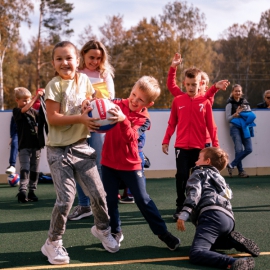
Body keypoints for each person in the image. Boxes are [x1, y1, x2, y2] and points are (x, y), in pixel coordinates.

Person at [41, 41, 119, 265]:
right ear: (54, 63)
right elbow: (53, 118)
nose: (65, 62)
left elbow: (90, 102)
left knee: (98, 193)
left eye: (69, 58)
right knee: (65, 199)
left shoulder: (85, 80)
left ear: (77, 61)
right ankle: (52, 243)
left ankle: (103, 229)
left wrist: (92, 106)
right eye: (59, 59)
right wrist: (82, 118)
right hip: (58, 151)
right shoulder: (53, 85)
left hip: (81, 146)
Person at [99, 75, 180, 250]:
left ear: (148, 104)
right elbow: (98, 103)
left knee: (143, 200)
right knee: (110, 200)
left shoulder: (144, 120)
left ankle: (163, 233)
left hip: (131, 165)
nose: (134, 100)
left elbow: (131, 137)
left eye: (140, 99)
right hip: (108, 163)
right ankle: (115, 231)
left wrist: (123, 120)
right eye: (133, 94)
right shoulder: (115, 103)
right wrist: (89, 104)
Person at [177, 147, 260, 269]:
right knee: (212, 243)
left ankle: (232, 262)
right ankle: (231, 240)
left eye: (199, 158)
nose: (195, 161)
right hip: (228, 220)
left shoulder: (198, 172)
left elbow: (194, 192)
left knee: (197, 253)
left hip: (211, 216)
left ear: (207, 161)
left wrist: (185, 212)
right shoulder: (219, 178)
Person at [162, 67, 219, 221]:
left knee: (199, 178)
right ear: (184, 84)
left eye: (194, 84)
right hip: (181, 147)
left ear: (200, 83)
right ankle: (180, 206)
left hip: (200, 148)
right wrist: (166, 140)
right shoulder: (178, 100)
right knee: (181, 176)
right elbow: (172, 122)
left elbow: (211, 125)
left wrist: (215, 145)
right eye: (188, 84)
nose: (191, 87)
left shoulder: (205, 102)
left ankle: (197, 206)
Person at [67, 40, 115, 220]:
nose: (94, 61)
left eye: (98, 58)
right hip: (79, 125)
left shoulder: (105, 74)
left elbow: (110, 99)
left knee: (99, 166)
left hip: (99, 127)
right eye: (91, 57)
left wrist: (92, 96)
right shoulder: (76, 73)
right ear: (83, 55)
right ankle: (84, 205)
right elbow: (70, 98)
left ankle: (101, 206)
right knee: (79, 166)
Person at [167, 52, 230, 148]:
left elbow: (209, 95)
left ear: (204, 85)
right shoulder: (183, 98)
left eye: (203, 83)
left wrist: (215, 88)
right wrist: (173, 67)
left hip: (204, 142)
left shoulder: (206, 99)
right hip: (187, 144)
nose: (199, 86)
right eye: (190, 84)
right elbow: (172, 86)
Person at [12, 87, 44, 203]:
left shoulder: (34, 112)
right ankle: (22, 191)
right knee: (25, 168)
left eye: (28, 99)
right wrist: (36, 98)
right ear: (17, 100)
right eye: (24, 100)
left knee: (35, 169)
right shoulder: (16, 111)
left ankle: (32, 191)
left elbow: (43, 118)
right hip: (24, 145)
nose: (26, 102)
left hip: (36, 145)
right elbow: (25, 108)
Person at [225, 84, 252, 178]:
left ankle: (231, 165)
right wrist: (234, 115)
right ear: (232, 92)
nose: (237, 93)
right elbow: (228, 119)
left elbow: (250, 115)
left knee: (249, 149)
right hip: (235, 127)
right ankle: (241, 171)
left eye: (239, 91)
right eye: (236, 91)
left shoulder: (245, 102)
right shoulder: (229, 103)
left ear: (242, 92)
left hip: (245, 127)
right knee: (239, 149)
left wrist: (244, 114)